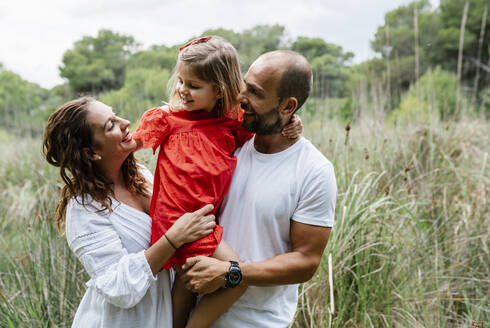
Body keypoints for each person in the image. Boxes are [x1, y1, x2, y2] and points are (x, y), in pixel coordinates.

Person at [131, 36, 302, 328]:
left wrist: (292, 122)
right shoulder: (167, 119)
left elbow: (266, 129)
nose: (183, 90)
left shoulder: (231, 124)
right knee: (237, 276)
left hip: (201, 219)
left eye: (194, 86)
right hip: (180, 219)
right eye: (181, 82)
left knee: (187, 278)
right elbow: (127, 146)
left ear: (220, 91)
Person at [181, 50, 337, 328]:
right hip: (192, 312)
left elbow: (306, 261)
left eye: (255, 92)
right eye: (245, 85)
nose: (241, 97)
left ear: (288, 107)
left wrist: (232, 273)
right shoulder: (228, 140)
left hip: (257, 321)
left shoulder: (313, 171)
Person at [42, 96, 217, 328]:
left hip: (168, 311)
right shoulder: (84, 209)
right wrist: (174, 238)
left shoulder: (141, 176)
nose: (124, 122)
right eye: (110, 125)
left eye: (115, 115)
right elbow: (117, 287)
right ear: (91, 152)